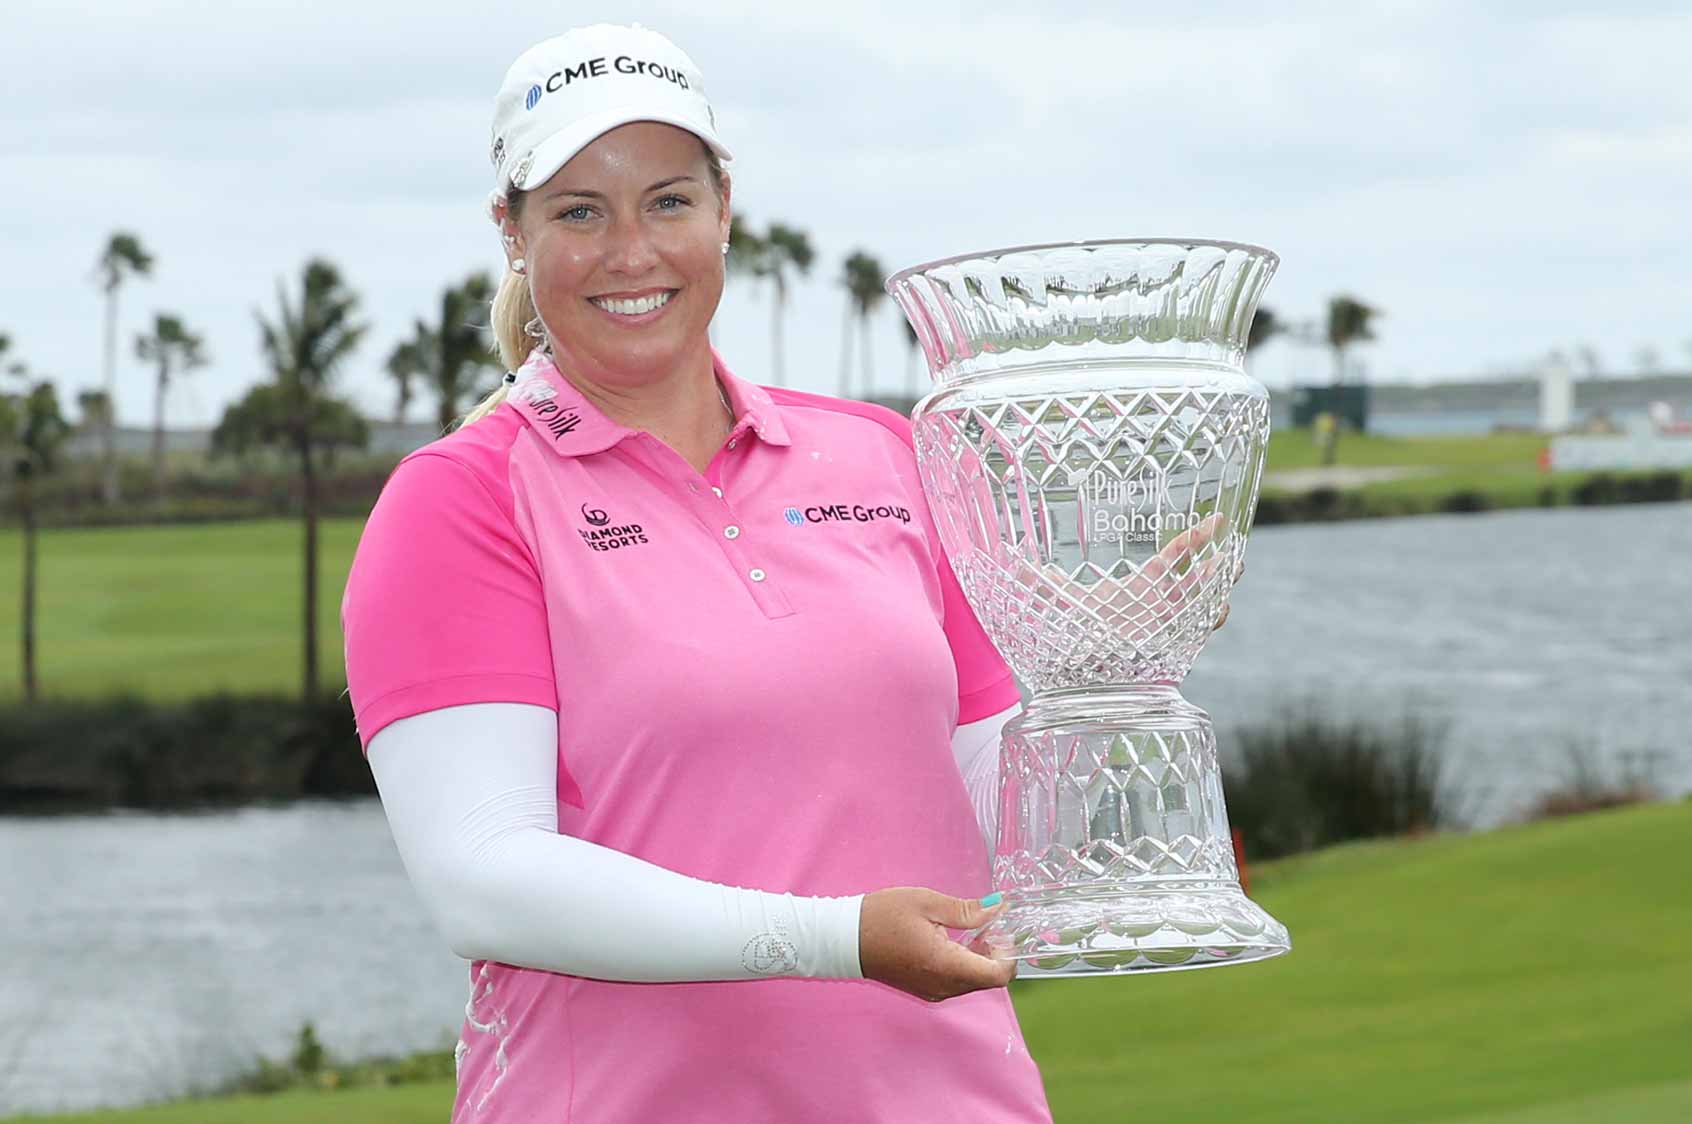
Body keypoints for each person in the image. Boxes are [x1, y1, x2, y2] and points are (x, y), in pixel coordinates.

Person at [344, 22, 1228, 1123]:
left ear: (724, 208)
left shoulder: (886, 453)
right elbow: (484, 875)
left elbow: (1013, 815)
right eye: (579, 211)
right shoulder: (462, 499)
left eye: (667, 200)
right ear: (511, 232)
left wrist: (1090, 672)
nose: (632, 251)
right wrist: (835, 936)